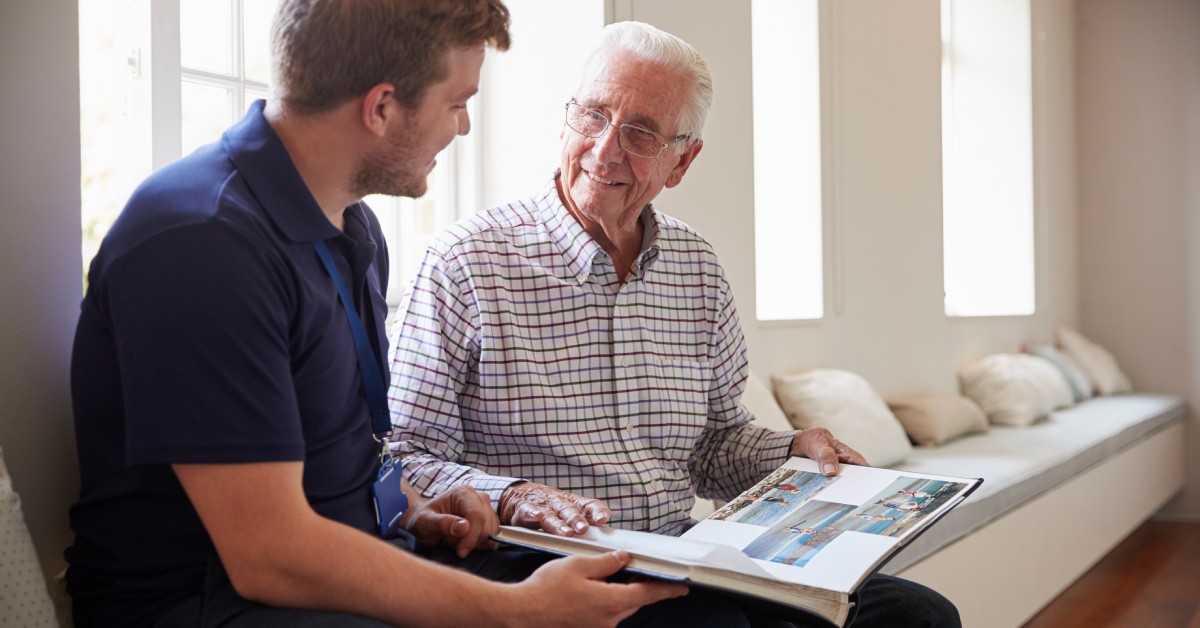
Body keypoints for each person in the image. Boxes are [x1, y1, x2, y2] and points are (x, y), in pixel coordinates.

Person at [65, 2, 689, 626]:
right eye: (456, 102)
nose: (465, 127)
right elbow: (269, 556)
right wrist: (519, 610)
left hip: (337, 561)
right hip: (211, 603)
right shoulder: (200, 241)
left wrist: (412, 508)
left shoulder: (352, 228)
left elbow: (344, 458)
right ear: (382, 107)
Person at [388, 20, 960, 627]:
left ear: (682, 161)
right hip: (533, 563)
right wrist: (516, 497)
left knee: (917, 615)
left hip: (682, 554)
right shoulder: (463, 262)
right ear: (565, 118)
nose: (605, 149)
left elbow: (713, 443)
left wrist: (792, 451)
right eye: (593, 114)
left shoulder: (698, 268)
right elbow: (403, 457)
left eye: (639, 133)